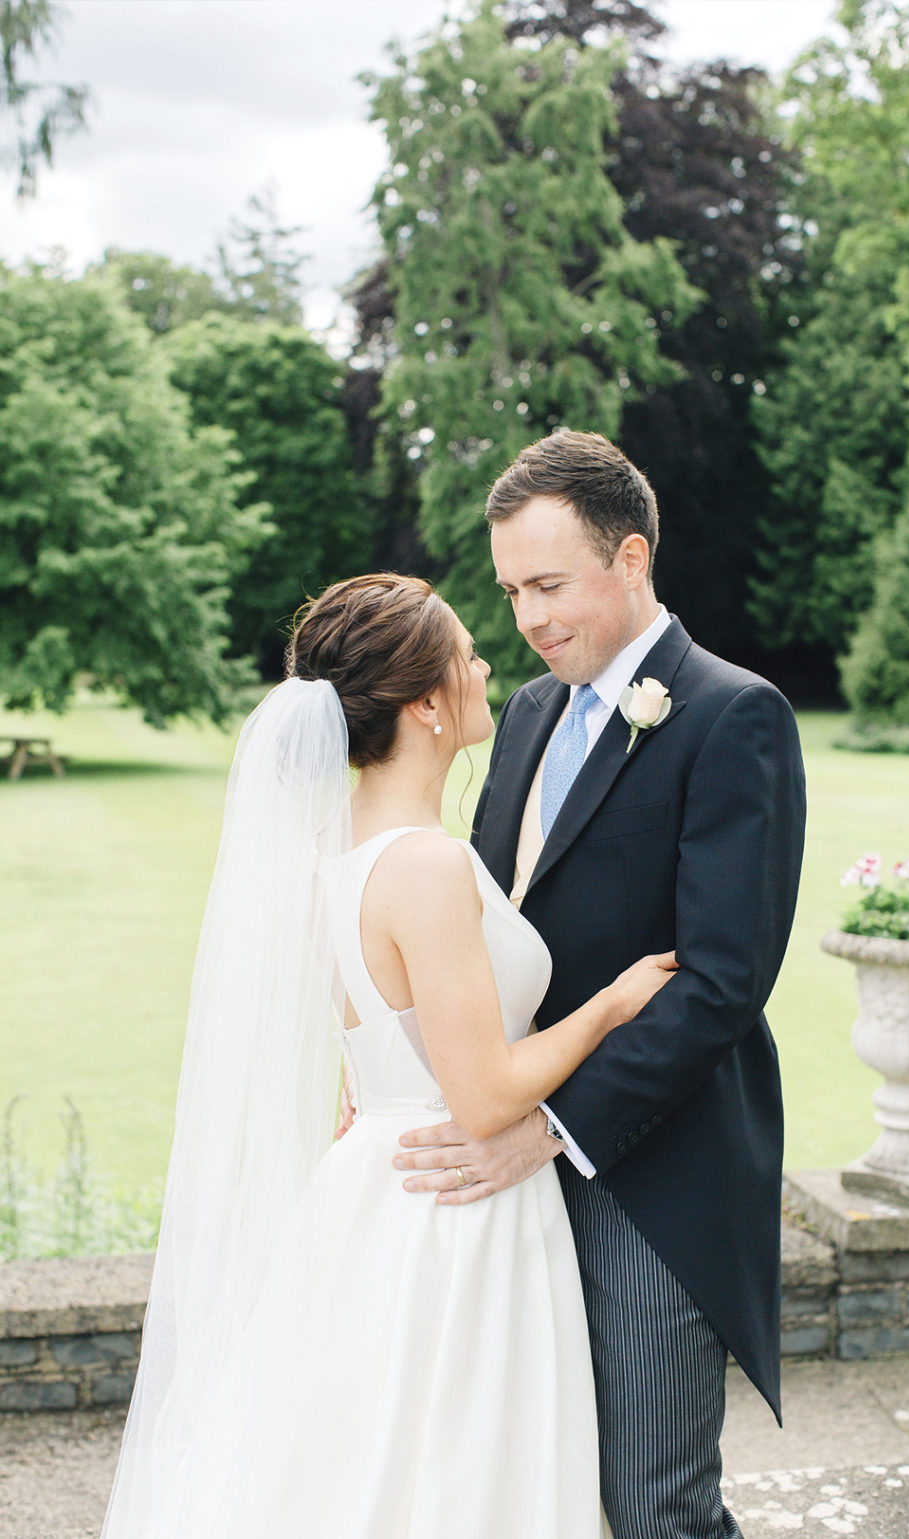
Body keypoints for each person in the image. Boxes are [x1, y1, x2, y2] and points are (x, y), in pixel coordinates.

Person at [100, 572, 676, 1539]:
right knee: (459, 1479)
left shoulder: (332, 850)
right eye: (466, 653)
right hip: (457, 1210)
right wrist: (608, 1009)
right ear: (424, 703)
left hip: (373, 1185)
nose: (489, 663)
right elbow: (486, 1095)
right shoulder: (426, 864)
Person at [393, 432, 807, 1539]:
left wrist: (552, 1130)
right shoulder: (525, 714)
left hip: (656, 1181)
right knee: (541, 1483)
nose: (526, 617)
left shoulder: (733, 715)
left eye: (549, 584)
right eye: (511, 591)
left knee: (653, 1506)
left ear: (630, 559)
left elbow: (720, 983)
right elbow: (479, 930)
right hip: (511, 1166)